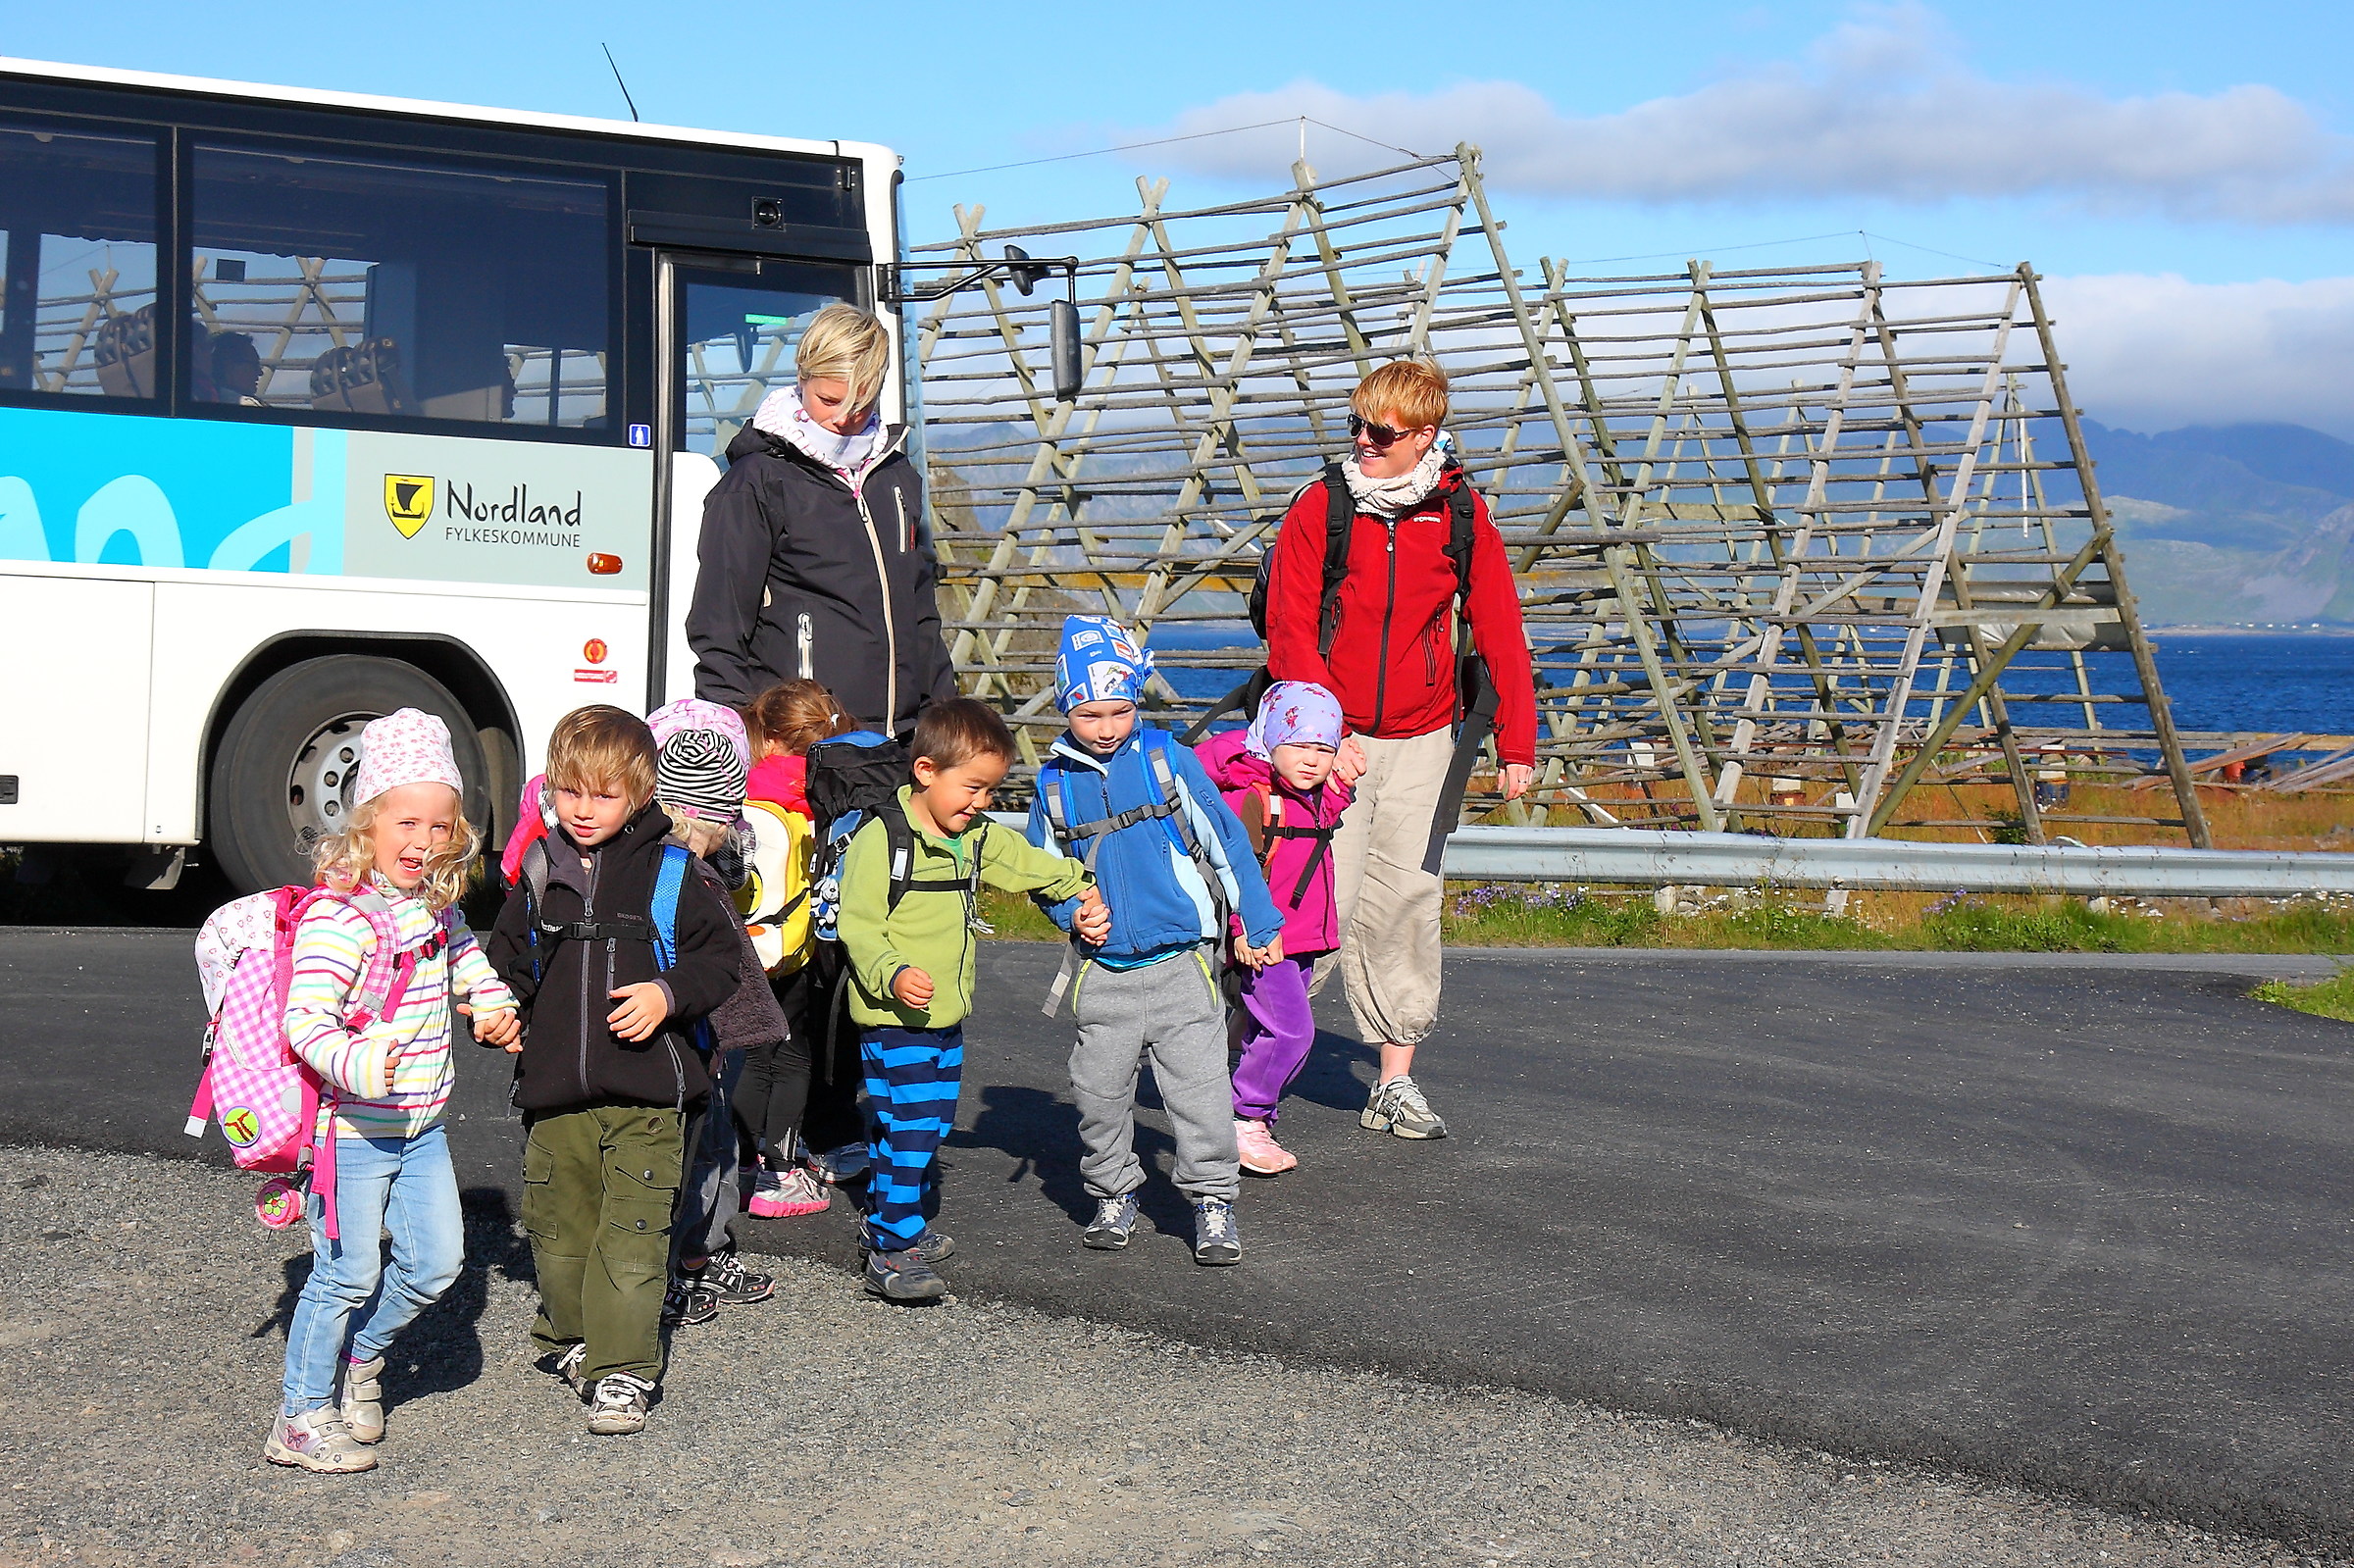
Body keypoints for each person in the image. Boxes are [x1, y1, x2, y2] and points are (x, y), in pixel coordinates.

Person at [1261, 358, 1538, 1141]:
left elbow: (1501, 626)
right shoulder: (1323, 505)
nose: (1364, 441)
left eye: (1381, 432)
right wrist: (1323, 732)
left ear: (1425, 435)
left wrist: (1518, 739)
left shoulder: (1459, 512)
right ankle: (1248, 1075)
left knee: (1406, 906)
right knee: (1309, 904)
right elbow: (1289, 627)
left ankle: (1395, 1085)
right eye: (1358, 425)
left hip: (1425, 739)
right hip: (1327, 742)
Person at [266, 708, 519, 1474]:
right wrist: (356, 1063)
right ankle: (299, 1419)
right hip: (348, 1131)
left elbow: (463, 955)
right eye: (408, 821)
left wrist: (492, 998)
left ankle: (362, 1361)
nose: (425, 840)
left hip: (420, 1127)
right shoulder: (340, 918)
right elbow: (303, 1022)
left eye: (442, 824)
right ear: (367, 821)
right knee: (346, 1272)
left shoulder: (434, 906)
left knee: (439, 1265)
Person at [486, 705, 742, 1437]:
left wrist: (668, 992)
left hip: (649, 1097)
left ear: (638, 792)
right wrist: (499, 1011)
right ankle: (569, 1340)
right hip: (555, 1097)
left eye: (603, 794)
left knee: (631, 1236)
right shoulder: (538, 871)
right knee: (560, 1235)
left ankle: (624, 1369)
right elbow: (505, 967)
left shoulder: (672, 873)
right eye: (570, 791)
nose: (584, 808)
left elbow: (721, 962)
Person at [1026, 617, 1285, 1265]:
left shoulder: (1169, 760)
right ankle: (1114, 1193)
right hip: (1103, 971)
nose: (1109, 725)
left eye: (1121, 709)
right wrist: (1069, 912)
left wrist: (1259, 922)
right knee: (1099, 1094)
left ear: (1137, 699)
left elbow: (1225, 842)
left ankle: (1213, 1201)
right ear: (1066, 707)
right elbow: (1039, 869)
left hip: (1181, 964)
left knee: (1200, 1094)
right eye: (1090, 713)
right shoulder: (1053, 786)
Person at [837, 696, 1108, 1301]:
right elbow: (858, 924)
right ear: (926, 771)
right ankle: (892, 1243)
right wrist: (893, 971)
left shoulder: (979, 838)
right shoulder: (881, 840)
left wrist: (1081, 888)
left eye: (990, 791)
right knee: (908, 1129)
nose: (982, 803)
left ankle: (888, 1215)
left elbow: (1031, 865)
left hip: (946, 1015)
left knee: (925, 1125)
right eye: (973, 788)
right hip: (891, 1016)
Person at [686, 303, 954, 736]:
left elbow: (921, 612)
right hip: (799, 738)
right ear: (801, 377)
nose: (842, 418)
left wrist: (943, 723)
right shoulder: (757, 481)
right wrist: (740, 735)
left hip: (897, 738)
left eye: (862, 405)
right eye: (828, 400)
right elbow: (719, 626)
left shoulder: (896, 479)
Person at [643, 699, 789, 1328]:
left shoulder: (646, 859)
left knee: (704, 1148)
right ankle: (682, 1266)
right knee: (699, 1150)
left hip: (672, 1030)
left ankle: (696, 1257)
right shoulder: (684, 870)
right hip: (685, 1035)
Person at [1191, 681, 1353, 1176]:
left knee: (1272, 1031)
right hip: (1264, 936)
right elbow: (1238, 870)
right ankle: (1246, 1117)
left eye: (1324, 748)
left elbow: (1339, 794)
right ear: (1268, 741)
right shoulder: (1252, 794)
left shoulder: (1318, 793)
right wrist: (1243, 929)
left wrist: (1349, 762)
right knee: (1292, 1034)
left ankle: (1234, 1110)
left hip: (1303, 938)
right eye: (1299, 745)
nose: (1312, 759)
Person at [738, 679, 856, 1220]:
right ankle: (780, 1173)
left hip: (740, 942)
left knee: (744, 1056)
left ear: (769, 733)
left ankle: (738, 1159)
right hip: (795, 946)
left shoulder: (741, 781)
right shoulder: (827, 789)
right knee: (790, 1056)